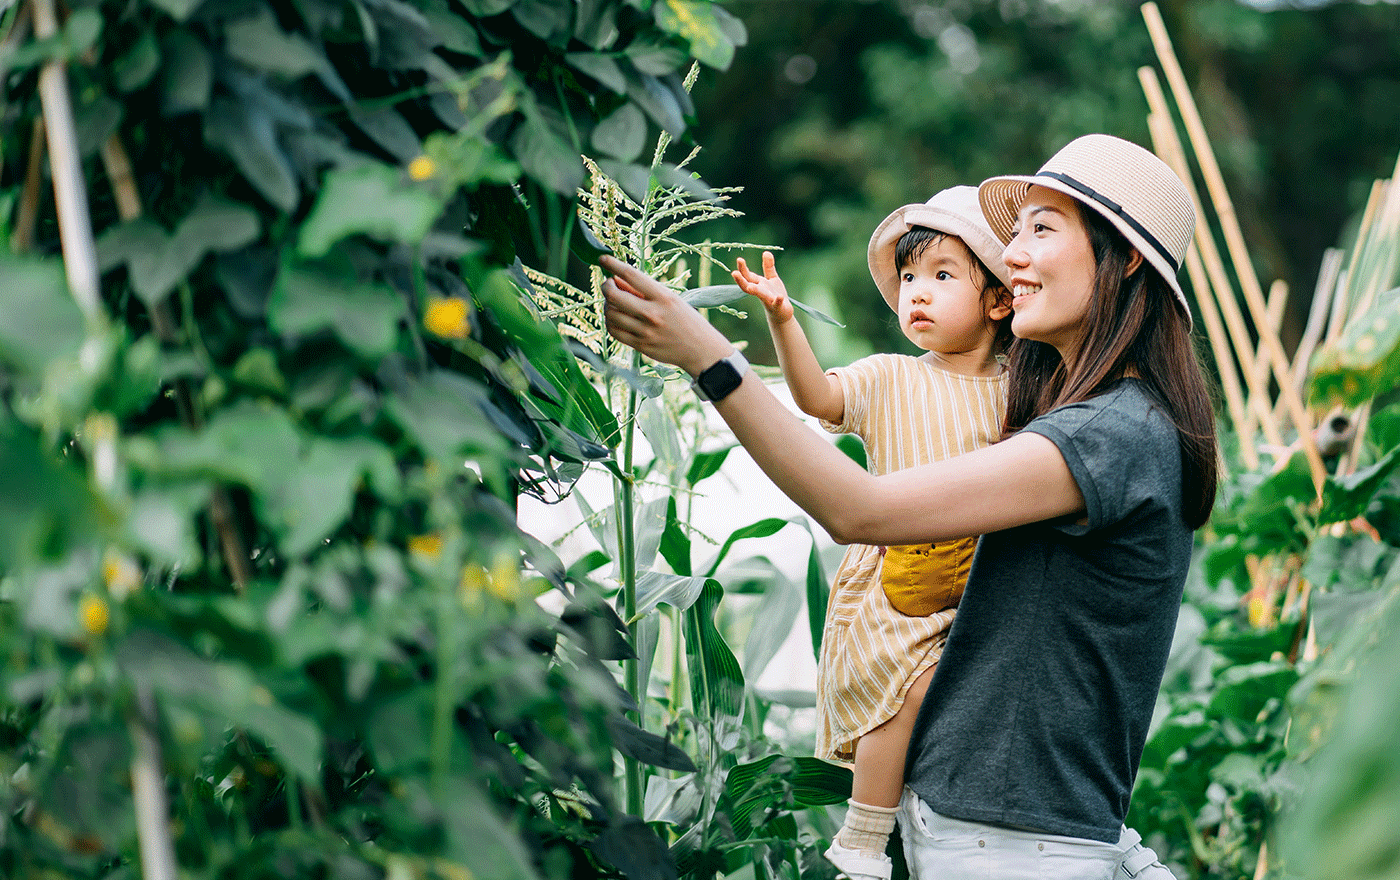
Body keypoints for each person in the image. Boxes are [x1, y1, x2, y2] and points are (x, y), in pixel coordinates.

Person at [601, 133, 1213, 880]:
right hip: (1002, 838)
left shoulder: (1111, 434)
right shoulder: (1100, 418)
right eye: (1014, 232)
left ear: (1124, 260)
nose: (1012, 256)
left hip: (1011, 851)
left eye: (1042, 229)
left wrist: (711, 357)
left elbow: (859, 509)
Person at [730, 186, 1012, 880]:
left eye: (943, 276)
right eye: (910, 277)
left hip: (980, 586)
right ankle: (861, 841)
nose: (916, 292)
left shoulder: (1020, 393)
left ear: (1000, 301)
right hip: (896, 586)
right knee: (908, 691)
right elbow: (817, 399)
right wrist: (783, 322)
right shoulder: (889, 378)